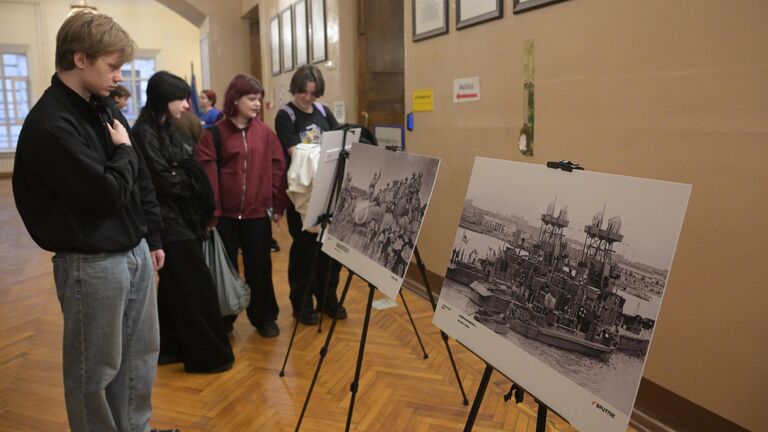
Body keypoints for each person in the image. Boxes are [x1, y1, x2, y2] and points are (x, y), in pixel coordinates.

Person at [12, 12, 177, 432]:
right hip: (91, 262)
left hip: (134, 250)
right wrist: (122, 153)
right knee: (95, 373)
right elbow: (103, 194)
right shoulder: (50, 124)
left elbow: (139, 179)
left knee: (141, 355)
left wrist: (153, 235)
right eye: (112, 66)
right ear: (80, 58)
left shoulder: (103, 108)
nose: (119, 77)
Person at [132, 71, 234, 373]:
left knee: (177, 285)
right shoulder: (145, 132)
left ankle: (171, 347)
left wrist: (184, 173)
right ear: (166, 100)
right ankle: (208, 356)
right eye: (181, 99)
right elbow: (163, 180)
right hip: (165, 220)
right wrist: (188, 177)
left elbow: (184, 163)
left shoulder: (164, 127)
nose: (187, 105)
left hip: (178, 216)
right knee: (195, 284)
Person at [196, 74, 288, 338]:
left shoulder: (266, 134)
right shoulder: (213, 135)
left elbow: (278, 168)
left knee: (260, 267)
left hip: (257, 214)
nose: (257, 103)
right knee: (225, 269)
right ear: (235, 100)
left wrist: (275, 203)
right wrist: (212, 213)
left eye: (259, 99)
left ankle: (264, 317)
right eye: (251, 98)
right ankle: (225, 316)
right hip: (223, 216)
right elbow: (207, 177)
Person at [275, 64, 346, 325]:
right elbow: (296, 152)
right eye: (304, 92)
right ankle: (302, 302)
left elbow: (338, 143)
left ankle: (328, 298)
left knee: (329, 251)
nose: (308, 98)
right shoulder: (286, 116)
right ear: (296, 89)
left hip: (327, 191)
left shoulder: (323, 112)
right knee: (305, 251)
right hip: (302, 194)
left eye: (313, 94)